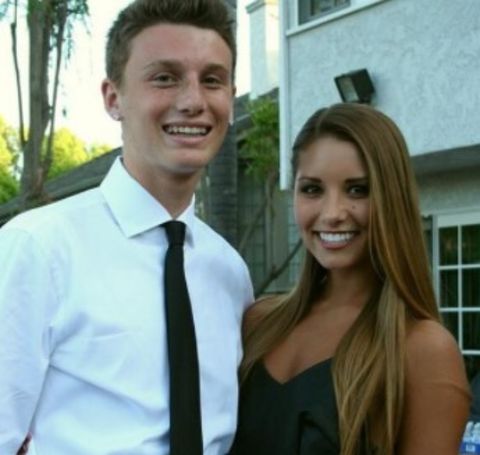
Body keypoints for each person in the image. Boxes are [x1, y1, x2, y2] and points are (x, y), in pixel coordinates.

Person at [0, 0, 254, 454]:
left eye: (212, 80)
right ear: (113, 98)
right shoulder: (38, 248)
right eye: (165, 77)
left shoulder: (230, 273)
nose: (193, 101)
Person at [230, 103, 470, 454]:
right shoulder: (257, 323)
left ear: (392, 199)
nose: (332, 213)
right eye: (312, 189)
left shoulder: (422, 350)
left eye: (357, 190)